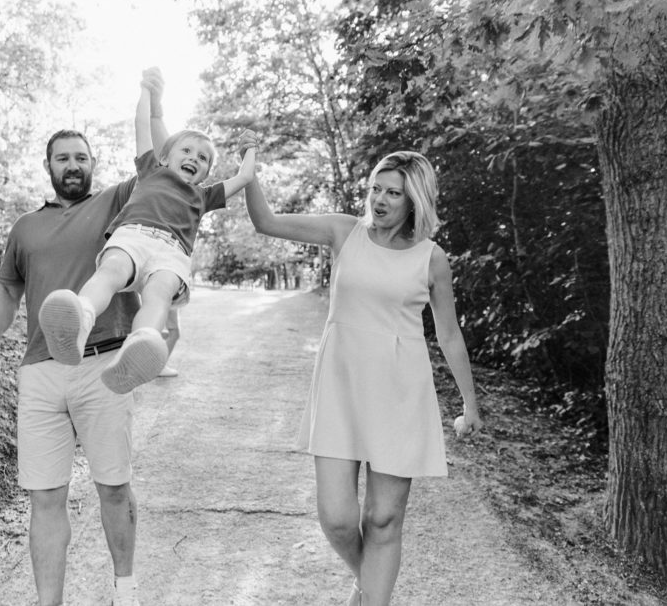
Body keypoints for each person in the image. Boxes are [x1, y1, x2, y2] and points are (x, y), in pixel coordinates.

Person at [243, 143, 483, 606]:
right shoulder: (343, 231)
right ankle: (372, 585)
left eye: (393, 193)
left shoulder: (431, 258)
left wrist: (470, 405)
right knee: (336, 518)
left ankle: (372, 599)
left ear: (414, 200)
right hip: (341, 386)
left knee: (383, 520)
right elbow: (266, 222)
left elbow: (449, 335)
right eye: (376, 188)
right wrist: (249, 173)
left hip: (401, 393)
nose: (380, 199)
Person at [0, 125, 157, 606]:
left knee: (113, 487)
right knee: (45, 496)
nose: (72, 166)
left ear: (93, 163)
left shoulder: (118, 204)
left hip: (105, 364)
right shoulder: (25, 227)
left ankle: (125, 589)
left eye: (81, 157)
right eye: (62, 158)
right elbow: (8, 288)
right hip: (40, 371)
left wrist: (148, 101)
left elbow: (153, 168)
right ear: (48, 166)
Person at [39, 68, 256, 394]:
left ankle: (138, 347)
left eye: (203, 159)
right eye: (186, 151)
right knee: (111, 272)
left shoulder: (204, 195)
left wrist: (249, 149)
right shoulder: (149, 170)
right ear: (165, 155)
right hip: (134, 236)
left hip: (172, 254)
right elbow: (142, 124)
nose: (194, 159)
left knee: (158, 295)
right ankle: (79, 321)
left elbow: (244, 177)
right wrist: (145, 92)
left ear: (206, 174)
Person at [157, 308, 180, 378]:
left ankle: (158, 365)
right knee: (174, 333)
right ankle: (160, 367)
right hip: (170, 301)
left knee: (161, 331)